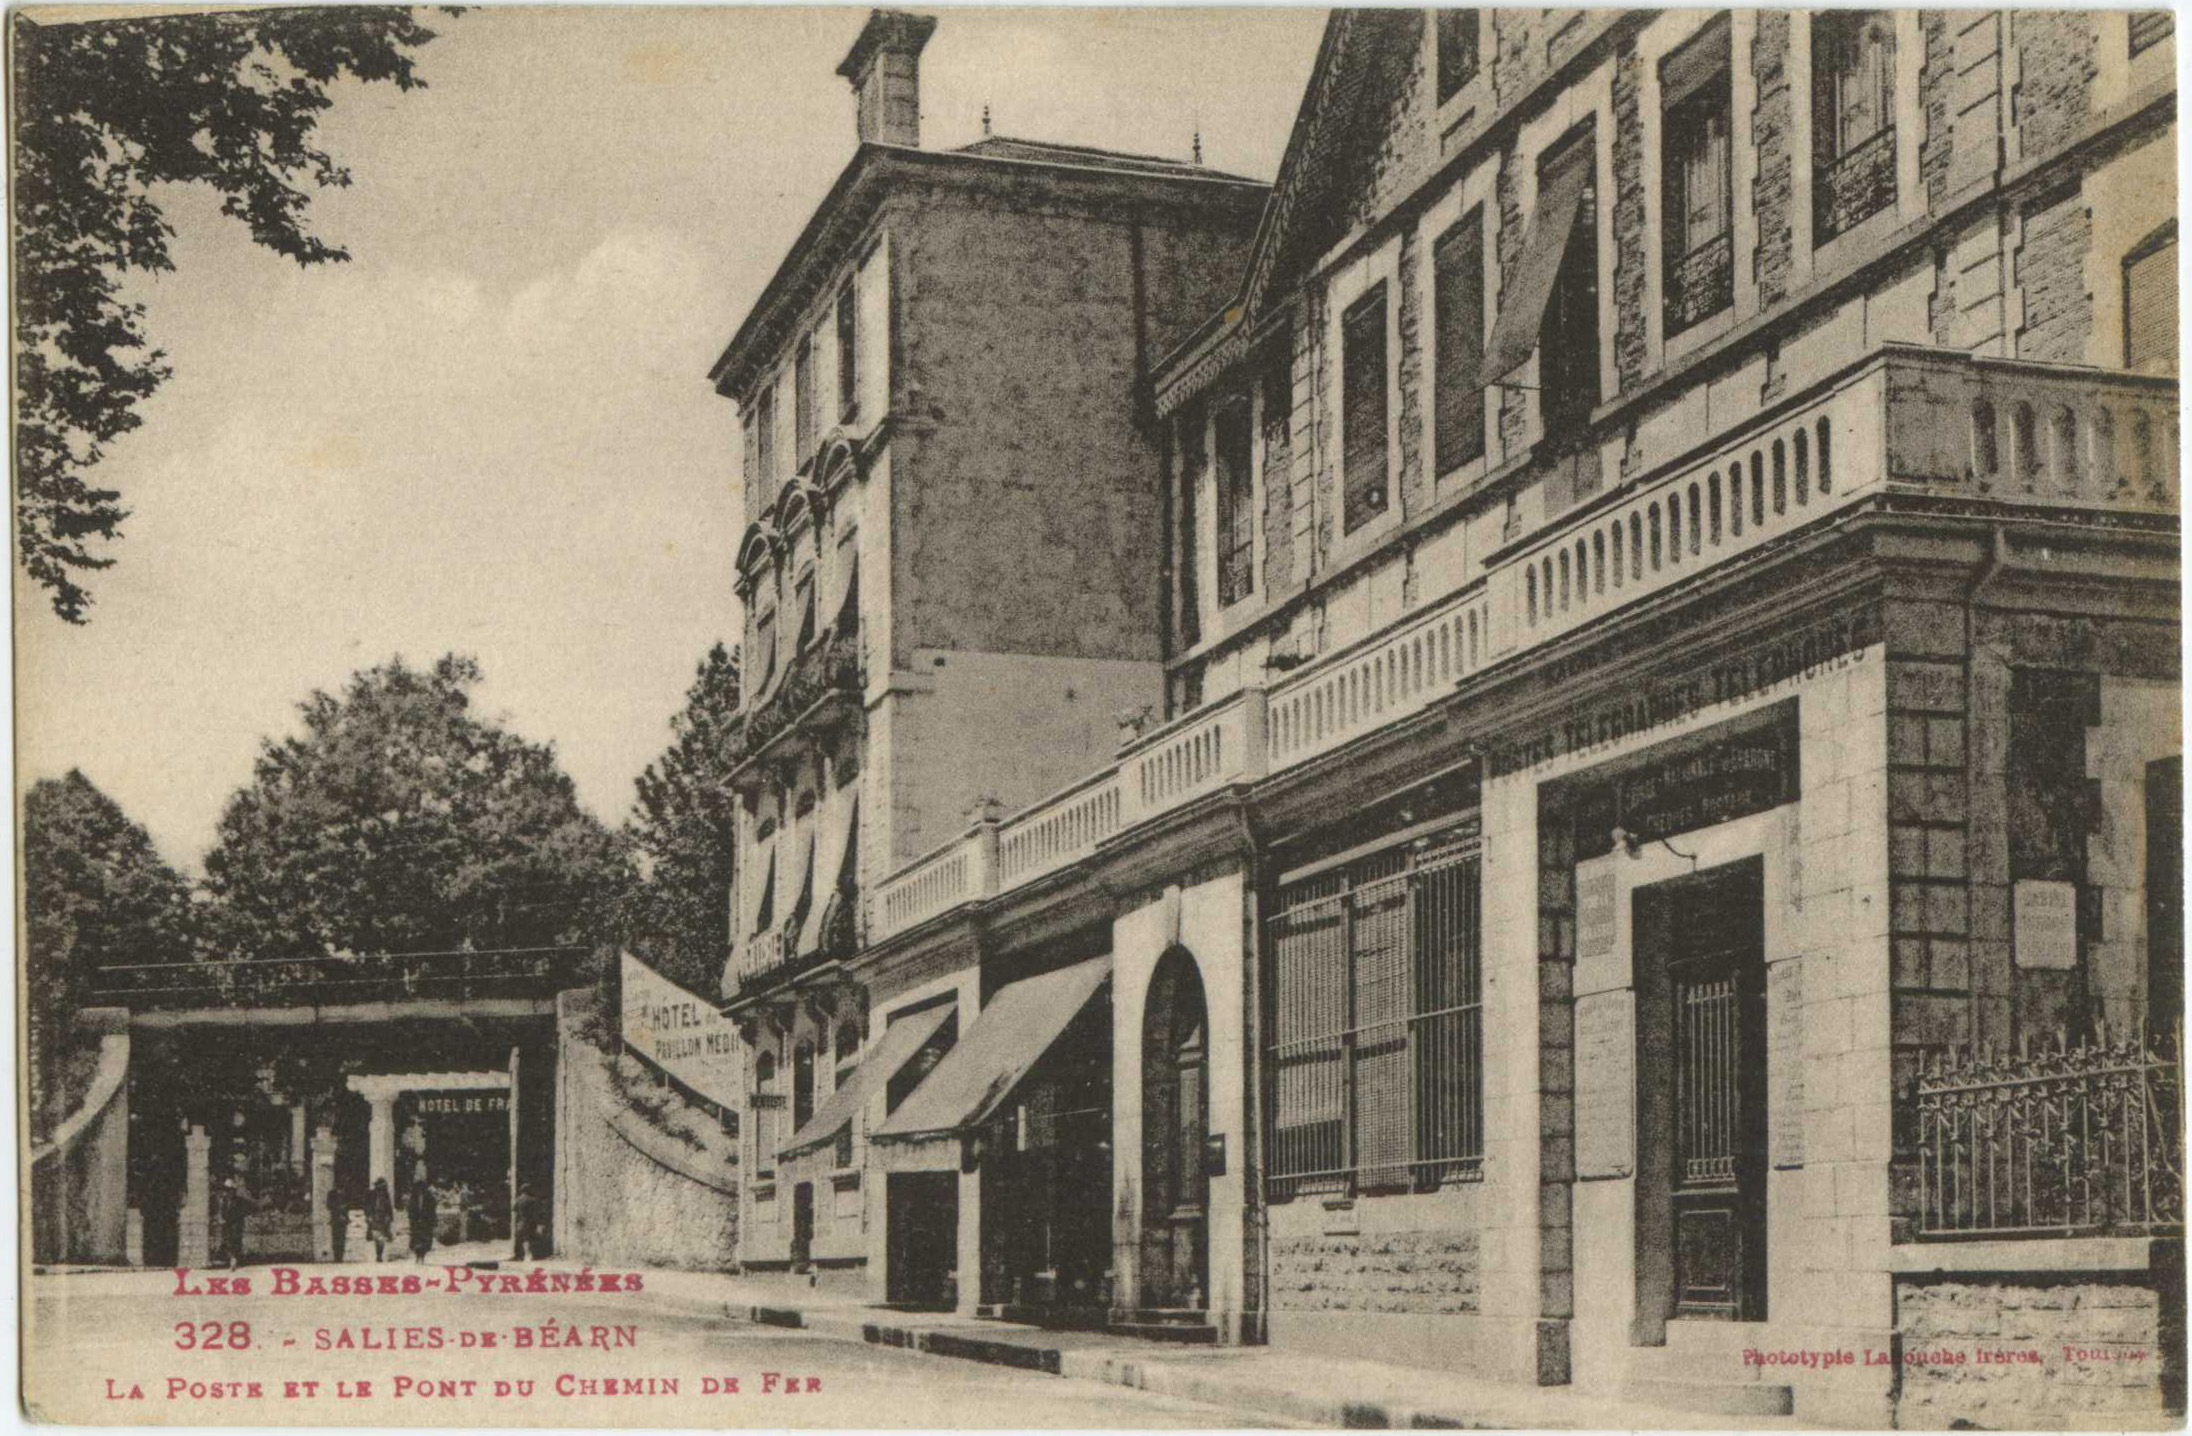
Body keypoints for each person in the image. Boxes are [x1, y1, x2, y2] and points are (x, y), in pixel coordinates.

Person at [218, 1172, 255, 1271]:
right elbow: (222, 1211)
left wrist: (237, 1217)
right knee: (227, 1242)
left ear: (233, 1191)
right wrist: (222, 1218)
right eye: (226, 1190)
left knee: (235, 1242)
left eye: (229, 1190)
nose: (227, 1192)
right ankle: (231, 1259)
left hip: (236, 1224)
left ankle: (234, 1260)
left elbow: (246, 1210)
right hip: (227, 1224)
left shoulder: (239, 1201)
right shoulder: (224, 1201)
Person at [405, 1174, 437, 1263]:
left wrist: (433, 1221)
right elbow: (410, 1209)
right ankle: (417, 1256)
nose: (420, 1189)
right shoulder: (413, 1198)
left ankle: (422, 1256)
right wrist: (411, 1219)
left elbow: (432, 1210)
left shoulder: (429, 1197)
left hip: (426, 1222)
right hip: (415, 1222)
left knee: (425, 1241)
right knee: (416, 1240)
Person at [510, 1183, 543, 1261]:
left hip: (521, 1222)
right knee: (529, 1239)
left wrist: (514, 1223)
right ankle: (529, 1255)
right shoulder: (532, 1200)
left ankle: (519, 1256)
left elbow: (514, 1212)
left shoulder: (518, 1199)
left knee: (520, 1239)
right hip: (530, 1221)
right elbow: (536, 1212)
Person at [366, 1178, 394, 1263]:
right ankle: (378, 1253)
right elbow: (367, 1206)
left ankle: (379, 1255)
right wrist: (368, 1216)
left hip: (382, 1217)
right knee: (376, 1236)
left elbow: (389, 1207)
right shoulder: (371, 1194)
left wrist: (389, 1216)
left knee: (381, 1237)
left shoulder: (386, 1195)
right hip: (374, 1216)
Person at [325, 1183, 348, 1263]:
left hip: (343, 1219)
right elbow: (328, 1205)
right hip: (335, 1218)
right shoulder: (331, 1194)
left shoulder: (345, 1194)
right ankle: (336, 1256)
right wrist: (338, 1207)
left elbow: (348, 1205)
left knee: (342, 1238)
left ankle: (340, 1256)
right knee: (336, 1238)